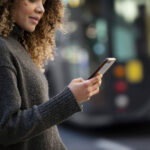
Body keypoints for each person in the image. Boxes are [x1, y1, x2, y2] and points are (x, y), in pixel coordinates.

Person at [0, 0, 102, 150]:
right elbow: (7, 128)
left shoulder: (17, 44)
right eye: (33, 0)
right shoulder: (3, 48)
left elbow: (43, 137)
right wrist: (70, 98)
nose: (41, 9)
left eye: (43, 2)